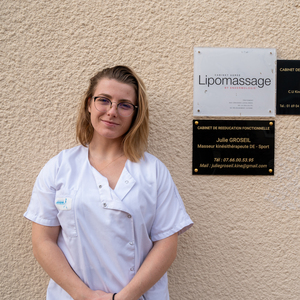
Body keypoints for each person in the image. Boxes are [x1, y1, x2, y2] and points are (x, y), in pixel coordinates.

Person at [24, 65, 193, 300]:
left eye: (124, 105)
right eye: (104, 100)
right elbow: (43, 241)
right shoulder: (60, 168)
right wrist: (84, 295)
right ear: (88, 104)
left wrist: (124, 297)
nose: (112, 111)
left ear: (135, 113)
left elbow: (167, 246)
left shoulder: (153, 171)